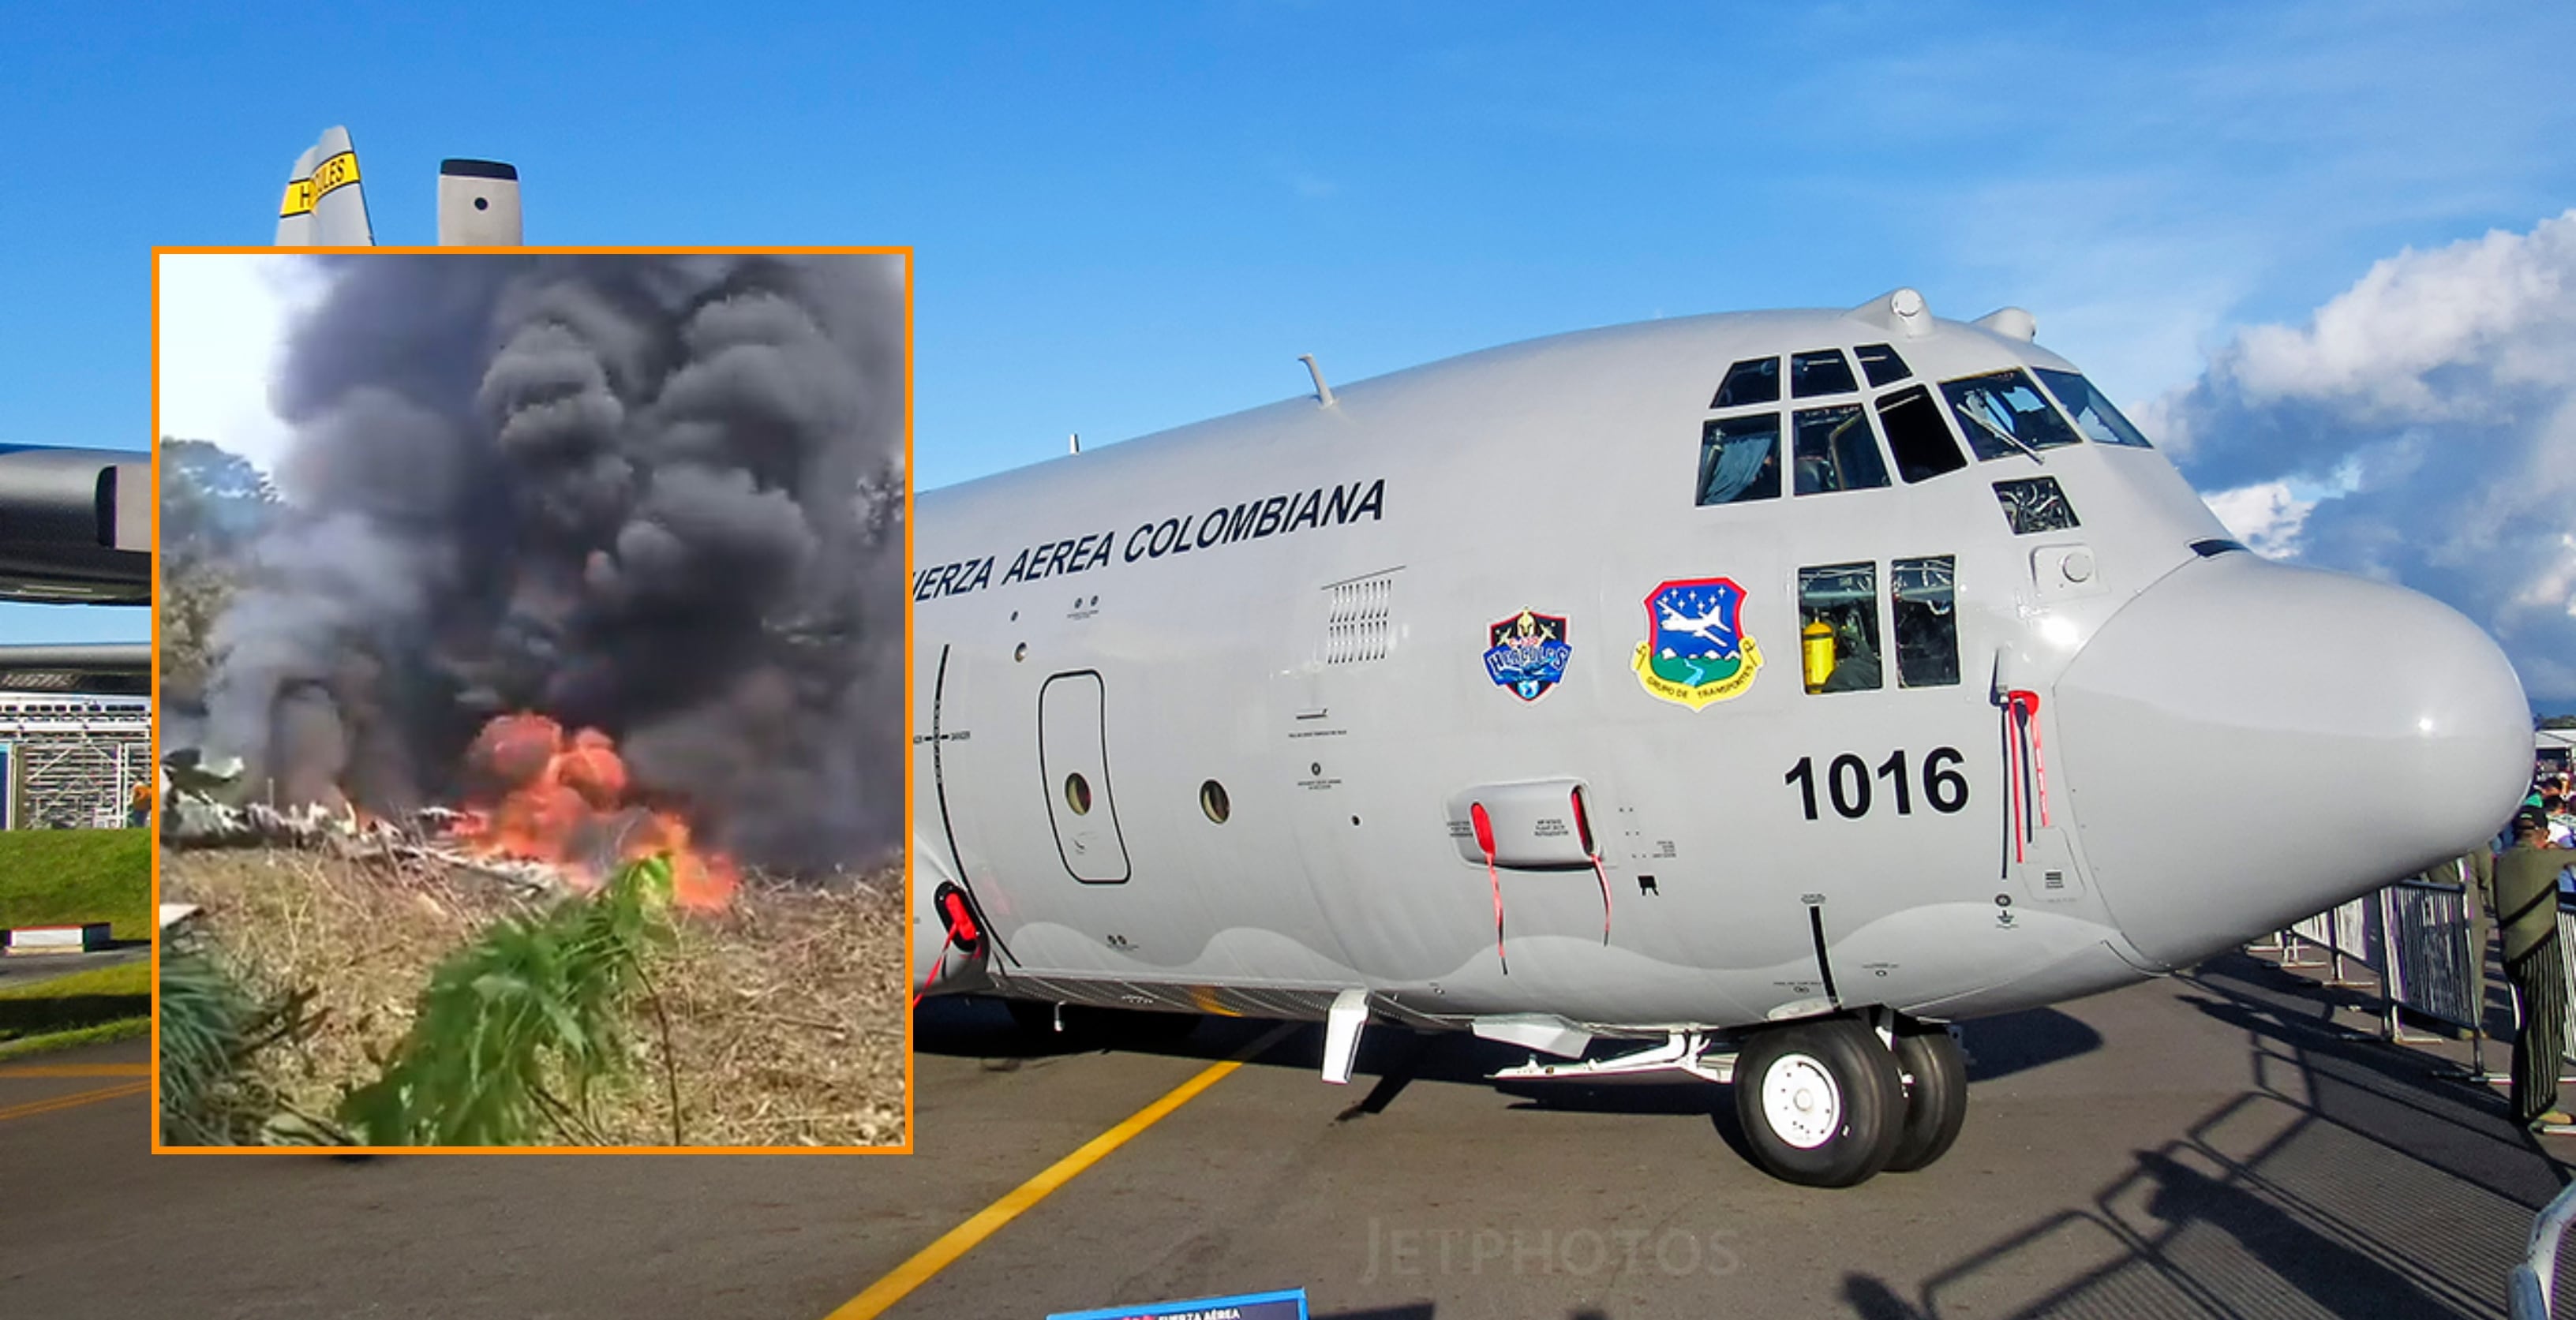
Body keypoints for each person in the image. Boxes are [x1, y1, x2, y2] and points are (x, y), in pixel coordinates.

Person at [2496, 806, 2573, 1131]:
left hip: (2513, 950)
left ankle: (2521, 1101)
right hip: (2539, 947)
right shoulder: (2542, 859)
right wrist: (2559, 852)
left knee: (2528, 1023)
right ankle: (2540, 1104)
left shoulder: (2504, 861)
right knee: (2547, 1023)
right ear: (2542, 834)